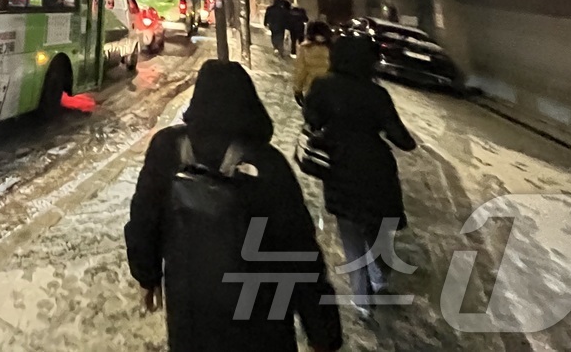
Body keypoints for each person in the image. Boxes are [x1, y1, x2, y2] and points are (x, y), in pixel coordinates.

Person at [126, 61, 342, 352]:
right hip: (261, 320)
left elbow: (143, 217)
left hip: (191, 309)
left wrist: (147, 274)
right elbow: (299, 252)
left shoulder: (167, 148)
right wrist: (323, 332)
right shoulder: (268, 164)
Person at [303, 34, 418, 316]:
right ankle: (380, 275)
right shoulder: (377, 94)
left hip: (339, 167)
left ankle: (362, 299)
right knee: (377, 227)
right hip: (376, 169)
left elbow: (311, 120)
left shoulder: (321, 86)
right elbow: (402, 139)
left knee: (351, 232)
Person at [293, 21, 333, 105]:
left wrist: (298, 89)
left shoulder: (306, 48)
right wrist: (298, 89)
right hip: (316, 88)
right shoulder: (305, 48)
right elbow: (301, 70)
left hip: (324, 88)